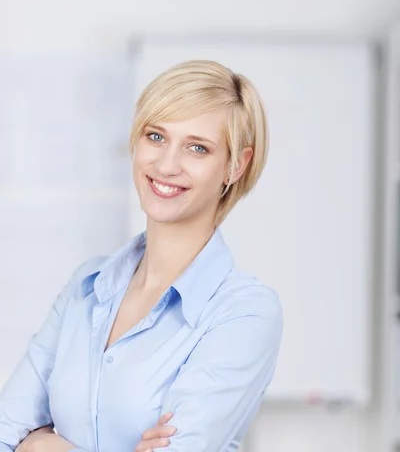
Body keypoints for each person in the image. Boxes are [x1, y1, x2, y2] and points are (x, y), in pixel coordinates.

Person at [0, 59, 283, 452]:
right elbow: (4, 428)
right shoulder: (87, 285)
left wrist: (39, 447)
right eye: (156, 137)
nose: (166, 164)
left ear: (235, 166)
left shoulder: (243, 312)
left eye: (197, 148)